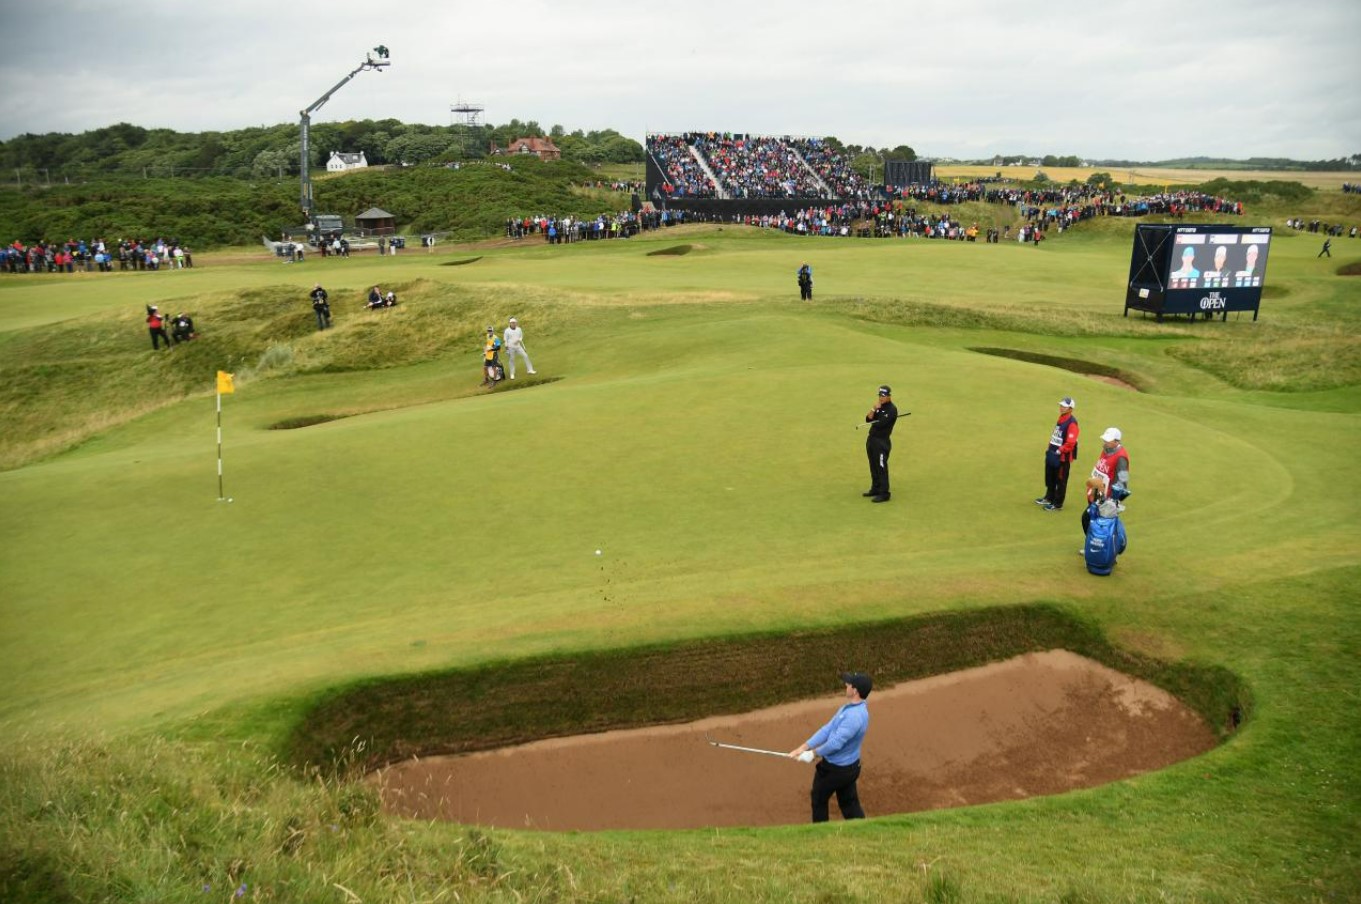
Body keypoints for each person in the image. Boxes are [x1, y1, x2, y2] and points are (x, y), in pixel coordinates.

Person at [788, 672, 872, 823]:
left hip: (836, 770)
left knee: (818, 798)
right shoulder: (850, 709)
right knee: (849, 802)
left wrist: (814, 753)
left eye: (849, 684)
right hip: (849, 767)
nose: (846, 685)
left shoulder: (853, 717)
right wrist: (804, 746)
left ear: (855, 691)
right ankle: (861, 829)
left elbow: (835, 744)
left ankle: (821, 834)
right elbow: (827, 729)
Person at [1082, 427, 1130, 541]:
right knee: (1090, 520)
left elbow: (1123, 480)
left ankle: (1097, 546)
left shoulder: (1121, 457)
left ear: (1116, 441)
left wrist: (1113, 500)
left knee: (1089, 519)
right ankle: (1092, 545)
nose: (1105, 442)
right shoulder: (1106, 450)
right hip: (1097, 491)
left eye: (1108, 440)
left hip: (1106, 497)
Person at [1036, 396, 1079, 511]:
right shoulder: (1061, 419)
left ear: (1070, 408)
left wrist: (1060, 450)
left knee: (1060, 481)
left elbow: (1071, 443)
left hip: (1062, 458)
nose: (1061, 408)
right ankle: (1049, 498)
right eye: (1061, 405)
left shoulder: (1072, 423)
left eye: (1064, 406)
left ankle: (1057, 504)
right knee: (1050, 477)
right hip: (1053, 453)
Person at [863, 385, 898, 503]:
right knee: (873, 465)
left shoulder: (892, 409)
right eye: (880, 396)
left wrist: (875, 417)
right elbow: (868, 419)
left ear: (889, 396)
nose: (881, 398)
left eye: (883, 396)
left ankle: (884, 493)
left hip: (882, 442)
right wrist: (873, 409)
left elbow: (880, 423)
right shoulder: (878, 407)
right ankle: (876, 488)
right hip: (871, 440)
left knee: (881, 467)